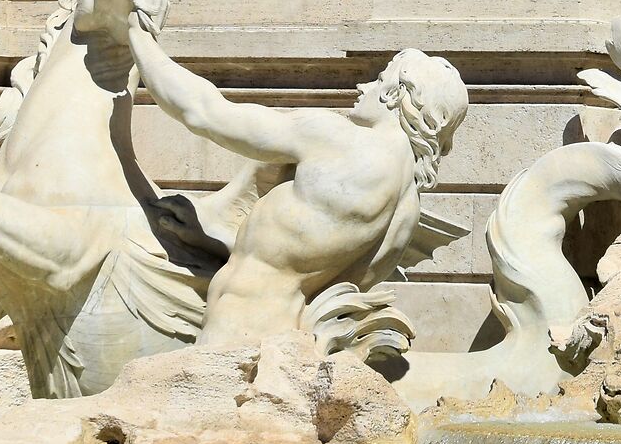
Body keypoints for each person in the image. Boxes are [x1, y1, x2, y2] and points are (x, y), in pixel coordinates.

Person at [119, 21, 467, 349]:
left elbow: (203, 112)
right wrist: (207, 239)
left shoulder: (339, 140)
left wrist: (136, 32)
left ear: (398, 94)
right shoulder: (408, 211)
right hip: (291, 347)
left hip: (232, 338)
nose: (364, 87)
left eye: (378, 80)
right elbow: (301, 263)